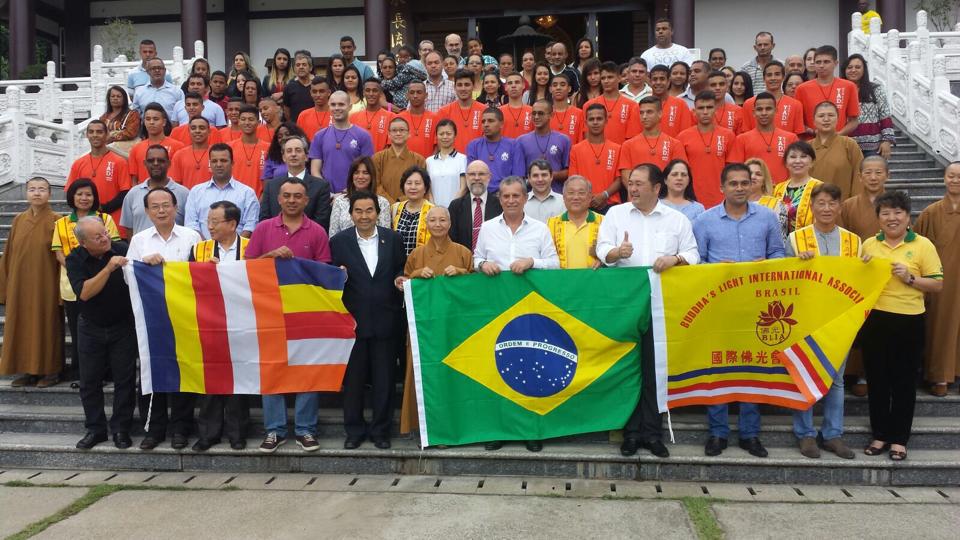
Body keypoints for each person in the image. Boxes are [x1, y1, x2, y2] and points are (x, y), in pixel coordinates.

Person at [597, 164, 699, 457]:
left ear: (657, 188)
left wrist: (675, 258)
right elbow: (602, 248)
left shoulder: (676, 220)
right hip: (625, 304)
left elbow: (693, 254)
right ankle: (630, 433)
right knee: (628, 369)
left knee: (655, 371)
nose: (633, 188)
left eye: (640, 183)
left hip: (661, 305)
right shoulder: (616, 214)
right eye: (631, 183)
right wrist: (617, 253)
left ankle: (653, 434)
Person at [693, 163, 785, 458]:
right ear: (722, 187)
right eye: (733, 183)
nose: (740, 188)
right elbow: (696, 262)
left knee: (752, 367)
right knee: (718, 367)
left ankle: (749, 434)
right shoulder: (705, 220)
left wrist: (767, 266)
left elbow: (778, 253)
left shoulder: (767, 217)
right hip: (719, 305)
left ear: (752, 185)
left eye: (745, 183)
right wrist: (719, 270)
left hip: (756, 305)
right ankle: (718, 433)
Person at [245, 178, 332, 453]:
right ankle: (275, 429)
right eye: (287, 196)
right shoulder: (263, 229)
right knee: (272, 369)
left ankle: (306, 429)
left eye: (298, 196)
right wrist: (269, 256)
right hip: (268, 310)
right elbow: (246, 269)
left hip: (305, 312)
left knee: (307, 371)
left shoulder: (317, 231)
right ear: (278, 199)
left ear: (306, 201)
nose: (292, 200)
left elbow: (324, 273)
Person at [474, 176, 558, 452]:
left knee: (532, 369)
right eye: (506, 196)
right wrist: (483, 264)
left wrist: (532, 262)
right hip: (496, 310)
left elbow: (555, 264)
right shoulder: (487, 228)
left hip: (530, 310)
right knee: (497, 368)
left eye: (516, 196)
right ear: (500, 199)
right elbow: (475, 258)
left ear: (525, 198)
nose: (511, 200)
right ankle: (499, 428)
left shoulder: (540, 229)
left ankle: (531, 430)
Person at [861, 191, 943, 461]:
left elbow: (937, 284)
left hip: (909, 320)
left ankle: (899, 439)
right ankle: (880, 434)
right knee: (878, 380)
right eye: (885, 213)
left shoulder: (922, 245)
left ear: (908, 217)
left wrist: (910, 278)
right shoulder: (870, 245)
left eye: (897, 213)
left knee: (904, 382)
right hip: (875, 319)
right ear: (878, 218)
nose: (891, 218)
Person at [785, 183, 861, 459]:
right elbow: (783, 278)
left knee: (837, 379)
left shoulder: (853, 242)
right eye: (821, 203)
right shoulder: (796, 239)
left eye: (832, 203)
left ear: (840, 208)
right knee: (804, 373)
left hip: (840, 319)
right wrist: (797, 262)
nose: (826, 208)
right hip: (806, 318)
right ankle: (805, 434)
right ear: (812, 207)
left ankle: (832, 434)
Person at [127, 187, 202, 450]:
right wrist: (144, 265)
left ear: (175, 207)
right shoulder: (139, 241)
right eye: (155, 206)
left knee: (185, 371)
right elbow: (128, 276)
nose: (161, 210)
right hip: (152, 318)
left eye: (166, 205)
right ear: (147, 211)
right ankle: (154, 429)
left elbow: (201, 275)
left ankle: (181, 428)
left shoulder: (192, 236)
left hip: (184, 316)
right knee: (152, 370)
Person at [331, 191, 406, 450]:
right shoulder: (339, 242)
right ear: (351, 214)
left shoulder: (393, 239)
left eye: (369, 211)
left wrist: (400, 278)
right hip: (352, 322)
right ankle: (354, 431)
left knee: (384, 381)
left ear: (378, 212)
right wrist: (336, 275)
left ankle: (381, 431)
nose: (364, 216)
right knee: (353, 382)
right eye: (359, 211)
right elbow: (330, 276)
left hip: (386, 320)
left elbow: (401, 267)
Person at [398, 205, 472, 435]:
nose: (438, 224)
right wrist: (417, 274)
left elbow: (476, 289)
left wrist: (461, 272)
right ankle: (424, 428)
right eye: (433, 220)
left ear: (450, 224)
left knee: (453, 377)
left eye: (442, 220)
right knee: (423, 375)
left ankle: (457, 425)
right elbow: (404, 282)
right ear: (426, 225)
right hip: (424, 328)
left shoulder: (463, 253)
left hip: (454, 327)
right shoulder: (416, 255)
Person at [64, 216, 135, 449]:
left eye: (105, 233)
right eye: (98, 237)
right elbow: (84, 293)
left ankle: (121, 429)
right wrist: (108, 268)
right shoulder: (75, 258)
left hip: (122, 326)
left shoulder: (122, 248)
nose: (105, 239)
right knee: (89, 381)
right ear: (84, 243)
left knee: (124, 380)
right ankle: (95, 429)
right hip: (90, 326)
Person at [187, 201, 251, 452]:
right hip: (210, 321)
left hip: (242, 321)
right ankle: (208, 433)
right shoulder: (200, 249)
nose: (210, 226)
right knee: (211, 379)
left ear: (232, 224)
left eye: (215, 221)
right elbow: (189, 283)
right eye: (208, 221)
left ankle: (237, 432)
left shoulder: (250, 247)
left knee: (238, 379)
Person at [52, 180, 121, 383]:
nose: (84, 198)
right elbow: (58, 254)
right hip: (73, 285)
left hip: (104, 283)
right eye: (79, 194)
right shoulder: (61, 223)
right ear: (72, 197)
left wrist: (95, 271)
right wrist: (79, 269)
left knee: (108, 328)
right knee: (78, 331)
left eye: (88, 194)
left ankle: (107, 372)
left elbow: (113, 247)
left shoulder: (105, 219)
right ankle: (82, 374)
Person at [0, 177, 62, 387]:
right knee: (22, 325)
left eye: (42, 189)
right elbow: (8, 255)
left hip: (46, 284)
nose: (37, 193)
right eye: (32, 189)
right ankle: (29, 370)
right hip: (19, 284)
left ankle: (50, 371)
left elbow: (62, 258)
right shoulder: (18, 219)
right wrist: (5, 287)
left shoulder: (57, 219)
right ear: (26, 193)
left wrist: (60, 290)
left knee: (46, 326)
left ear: (49, 194)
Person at [914, 162, 960, 397]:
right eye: (951, 176)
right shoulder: (931, 212)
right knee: (941, 324)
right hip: (942, 280)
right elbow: (915, 244)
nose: (955, 180)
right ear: (944, 178)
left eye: (959, 177)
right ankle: (938, 375)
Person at [677, 91, 743, 208]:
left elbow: (733, 171)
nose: (705, 112)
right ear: (694, 111)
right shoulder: (683, 137)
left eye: (709, 107)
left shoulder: (728, 135)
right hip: (691, 199)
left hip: (721, 199)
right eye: (701, 108)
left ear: (716, 110)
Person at [184, 144, 260, 240]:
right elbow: (191, 225)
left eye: (223, 161)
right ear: (210, 164)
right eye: (214, 161)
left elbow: (250, 226)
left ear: (232, 163)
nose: (219, 165)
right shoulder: (196, 192)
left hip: (238, 252)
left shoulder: (247, 193)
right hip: (203, 251)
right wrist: (208, 247)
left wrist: (233, 248)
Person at [260, 136, 332, 230]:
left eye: (298, 150)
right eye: (289, 151)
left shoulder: (321, 186)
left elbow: (321, 222)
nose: (293, 154)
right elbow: (264, 219)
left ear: (306, 156)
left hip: (308, 241)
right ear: (284, 157)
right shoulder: (271, 186)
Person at [67, 120, 130, 226]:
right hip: (85, 226)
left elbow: (125, 193)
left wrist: (103, 208)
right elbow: (70, 193)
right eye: (91, 132)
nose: (95, 135)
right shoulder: (78, 163)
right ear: (87, 135)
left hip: (113, 223)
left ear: (107, 134)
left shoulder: (119, 162)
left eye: (99, 132)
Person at [310, 91, 375, 193]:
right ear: (329, 107)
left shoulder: (363, 136)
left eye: (341, 104)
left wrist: (347, 192)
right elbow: (315, 170)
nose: (337, 108)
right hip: (327, 196)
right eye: (333, 105)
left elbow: (368, 170)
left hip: (354, 194)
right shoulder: (319, 136)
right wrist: (326, 191)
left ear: (349, 107)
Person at [121, 145, 190, 236]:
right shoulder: (133, 194)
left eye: (160, 160)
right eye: (151, 161)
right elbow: (129, 229)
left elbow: (188, 227)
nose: (156, 163)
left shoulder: (184, 193)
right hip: (143, 249)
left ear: (169, 163)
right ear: (145, 163)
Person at [620, 96, 688, 183]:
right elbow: (626, 176)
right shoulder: (628, 145)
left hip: (665, 194)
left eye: (649, 112)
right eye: (641, 113)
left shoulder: (675, 144)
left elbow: (680, 174)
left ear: (660, 114)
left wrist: (663, 195)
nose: (644, 116)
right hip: (638, 195)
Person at [796, 45, 860, 136]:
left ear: (836, 63)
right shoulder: (801, 89)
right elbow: (797, 121)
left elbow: (854, 121)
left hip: (839, 143)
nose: (821, 65)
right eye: (818, 62)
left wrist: (838, 135)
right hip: (811, 144)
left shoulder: (849, 86)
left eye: (826, 62)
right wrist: (813, 132)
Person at [570, 104, 622, 213]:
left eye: (599, 119)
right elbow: (574, 179)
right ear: (585, 122)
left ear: (606, 121)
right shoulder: (576, 149)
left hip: (611, 204)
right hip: (584, 204)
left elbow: (620, 179)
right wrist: (588, 197)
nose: (595, 122)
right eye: (591, 119)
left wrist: (604, 195)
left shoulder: (617, 149)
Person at [738, 92, 799, 184]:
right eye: (759, 109)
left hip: (782, 194)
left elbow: (796, 169)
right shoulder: (742, 139)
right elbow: (738, 172)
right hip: (754, 194)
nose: (764, 113)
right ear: (754, 113)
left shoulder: (791, 138)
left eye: (768, 109)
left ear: (776, 111)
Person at [842, 54, 895, 159]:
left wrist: (887, 141)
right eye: (850, 67)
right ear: (844, 70)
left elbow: (885, 116)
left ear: (864, 70)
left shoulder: (876, 89)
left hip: (873, 147)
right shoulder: (839, 90)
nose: (853, 70)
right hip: (846, 145)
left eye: (858, 67)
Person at [809, 101, 864, 200]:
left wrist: (854, 203)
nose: (826, 119)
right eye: (821, 116)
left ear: (838, 119)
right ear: (814, 121)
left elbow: (859, 176)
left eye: (831, 115)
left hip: (842, 206)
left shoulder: (849, 144)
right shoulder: (807, 147)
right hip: (810, 207)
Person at [548, 176, 605, 268]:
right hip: (562, 280)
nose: (576, 197)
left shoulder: (603, 222)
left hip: (594, 280)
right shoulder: (551, 224)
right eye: (571, 193)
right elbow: (545, 257)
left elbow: (611, 252)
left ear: (590, 197)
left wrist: (602, 260)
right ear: (564, 197)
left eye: (581, 193)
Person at [467, 108, 526, 193]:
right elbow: (472, 176)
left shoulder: (514, 145)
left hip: (506, 196)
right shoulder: (474, 145)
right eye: (483, 121)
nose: (486, 124)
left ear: (501, 124)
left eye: (490, 121)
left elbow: (518, 178)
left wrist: (504, 194)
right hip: (481, 195)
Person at [330, 157, 392, 236]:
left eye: (365, 173)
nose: (360, 176)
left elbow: (385, 235)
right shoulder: (340, 201)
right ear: (351, 176)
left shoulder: (382, 202)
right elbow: (333, 234)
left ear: (371, 176)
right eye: (356, 172)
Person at [517, 100, 571, 190]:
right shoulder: (521, 141)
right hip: (530, 196)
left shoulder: (563, 140)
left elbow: (569, 171)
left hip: (556, 195)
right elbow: (519, 174)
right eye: (533, 113)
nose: (536, 117)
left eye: (541, 113)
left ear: (551, 115)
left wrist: (549, 175)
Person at [448, 160, 502, 250]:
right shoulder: (455, 206)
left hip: (492, 261)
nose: (477, 178)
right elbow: (451, 239)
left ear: (489, 177)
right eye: (472, 174)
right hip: (463, 260)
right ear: (466, 177)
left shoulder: (500, 205)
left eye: (481, 174)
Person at [741, 61, 806, 136]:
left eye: (777, 74)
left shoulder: (796, 105)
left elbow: (798, 136)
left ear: (783, 77)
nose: (773, 78)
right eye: (769, 75)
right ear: (764, 78)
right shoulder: (749, 104)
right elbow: (745, 135)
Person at [372, 117, 427, 203]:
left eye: (402, 130)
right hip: (383, 207)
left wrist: (401, 203)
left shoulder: (419, 160)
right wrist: (391, 204)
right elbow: (375, 185)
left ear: (409, 133)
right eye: (394, 130)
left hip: (410, 207)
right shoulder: (378, 158)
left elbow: (422, 187)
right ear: (389, 134)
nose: (398, 133)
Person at [585, 61, 641, 145]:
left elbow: (632, 139)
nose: (606, 81)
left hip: (621, 154)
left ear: (619, 78)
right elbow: (586, 135)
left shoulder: (632, 106)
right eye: (603, 78)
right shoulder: (589, 105)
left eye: (610, 77)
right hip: (596, 154)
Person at [773, 141, 823, 233]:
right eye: (793, 157)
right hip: (781, 244)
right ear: (786, 163)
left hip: (809, 242)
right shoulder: (778, 189)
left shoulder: (820, 188)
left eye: (803, 156)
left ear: (812, 162)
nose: (797, 161)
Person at [438, 70, 486, 153]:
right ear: (454, 87)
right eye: (459, 85)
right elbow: (439, 142)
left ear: (473, 86)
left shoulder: (484, 110)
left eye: (467, 85)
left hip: (477, 161)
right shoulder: (444, 111)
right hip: (452, 161)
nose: (463, 88)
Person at [227, 104, 271, 196]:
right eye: (243, 119)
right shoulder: (229, 148)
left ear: (258, 122)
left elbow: (271, 179)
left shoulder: (268, 148)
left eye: (251, 119)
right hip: (233, 201)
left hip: (260, 200)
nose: (247, 123)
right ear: (238, 122)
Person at [392, 167, 435, 254]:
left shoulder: (433, 211)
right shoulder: (395, 209)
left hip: (422, 264)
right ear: (403, 186)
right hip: (397, 265)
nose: (413, 187)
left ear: (425, 187)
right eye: (409, 183)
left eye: (417, 183)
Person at [746, 157, 789, 242]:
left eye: (758, 174)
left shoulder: (776, 205)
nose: (753, 177)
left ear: (764, 180)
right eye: (749, 173)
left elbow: (781, 239)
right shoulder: (734, 204)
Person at [425, 119, 466, 208]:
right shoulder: (429, 161)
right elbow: (428, 189)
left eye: (448, 133)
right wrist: (434, 207)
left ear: (455, 135)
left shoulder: (463, 159)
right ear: (436, 136)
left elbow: (463, 188)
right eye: (441, 134)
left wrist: (451, 207)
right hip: (434, 210)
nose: (445, 137)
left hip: (456, 209)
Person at [169, 116, 216, 188]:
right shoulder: (179, 155)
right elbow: (176, 184)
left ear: (209, 131)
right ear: (189, 131)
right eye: (193, 128)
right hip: (187, 197)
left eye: (202, 128)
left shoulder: (216, 154)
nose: (197, 131)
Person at [648, 65, 694, 137]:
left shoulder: (680, 104)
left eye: (662, 79)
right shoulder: (642, 105)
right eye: (655, 79)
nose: (658, 82)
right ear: (650, 82)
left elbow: (686, 134)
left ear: (669, 81)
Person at [398, 81, 437, 157]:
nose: (415, 96)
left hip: (427, 166)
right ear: (407, 95)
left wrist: (430, 163)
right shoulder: (399, 118)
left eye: (419, 92)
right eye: (412, 92)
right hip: (404, 165)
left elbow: (437, 146)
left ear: (426, 95)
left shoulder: (434, 118)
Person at [100, 85, 141, 151]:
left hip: (124, 152)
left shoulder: (132, 114)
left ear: (124, 99)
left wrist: (110, 136)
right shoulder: (104, 117)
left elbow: (131, 133)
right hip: (106, 150)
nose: (115, 98)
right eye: (112, 96)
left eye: (118, 96)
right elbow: (100, 133)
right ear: (109, 99)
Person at [549, 72, 585, 144]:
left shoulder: (579, 113)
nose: (558, 88)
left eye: (562, 85)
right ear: (550, 89)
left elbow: (581, 141)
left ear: (569, 89)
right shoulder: (545, 114)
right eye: (555, 85)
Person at [282, 50, 316, 122]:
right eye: (298, 65)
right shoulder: (289, 87)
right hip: (296, 127)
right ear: (294, 69)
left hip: (316, 125)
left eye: (304, 64)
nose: (301, 67)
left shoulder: (318, 84)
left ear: (310, 67)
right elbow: (286, 110)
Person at [500, 72, 534, 140]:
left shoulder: (533, 111)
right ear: (505, 87)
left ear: (523, 85)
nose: (513, 86)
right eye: (510, 83)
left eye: (517, 82)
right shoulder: (498, 112)